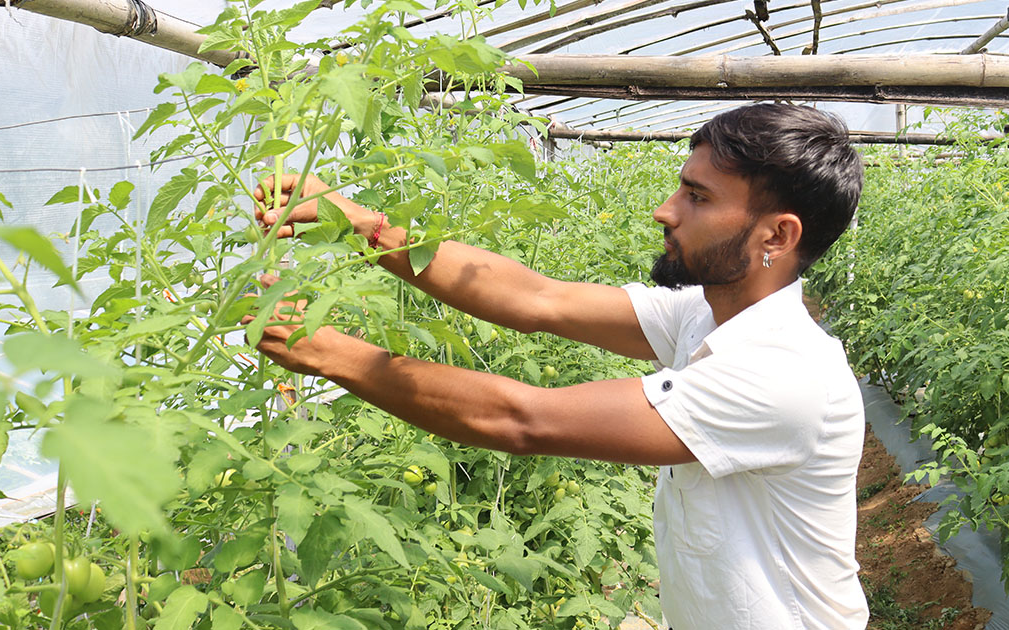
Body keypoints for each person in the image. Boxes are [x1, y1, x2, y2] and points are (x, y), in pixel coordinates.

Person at [246, 103, 869, 630]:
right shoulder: (704, 315)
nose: (666, 209)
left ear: (777, 237)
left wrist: (330, 353)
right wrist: (358, 223)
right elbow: (536, 298)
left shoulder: (783, 374)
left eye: (697, 197)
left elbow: (524, 419)